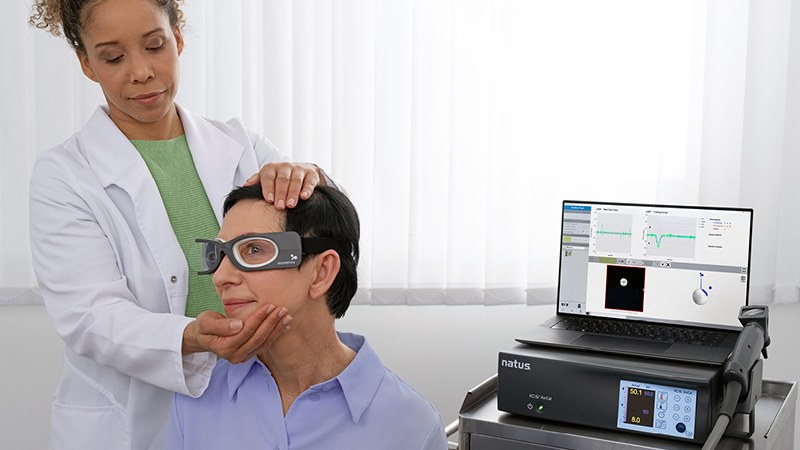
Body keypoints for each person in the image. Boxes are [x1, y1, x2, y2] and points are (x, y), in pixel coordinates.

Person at [28, 0, 330, 448]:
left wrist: (307, 174)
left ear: (179, 39)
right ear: (86, 63)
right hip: (133, 423)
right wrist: (189, 337)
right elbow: (91, 316)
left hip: (248, 398)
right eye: (113, 57)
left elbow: (324, 230)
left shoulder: (241, 145)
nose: (142, 72)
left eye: (155, 46)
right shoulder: (65, 176)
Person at [165, 185, 448, 450]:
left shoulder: (412, 428)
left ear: (322, 272)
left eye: (253, 249)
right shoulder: (195, 399)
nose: (221, 277)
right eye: (219, 254)